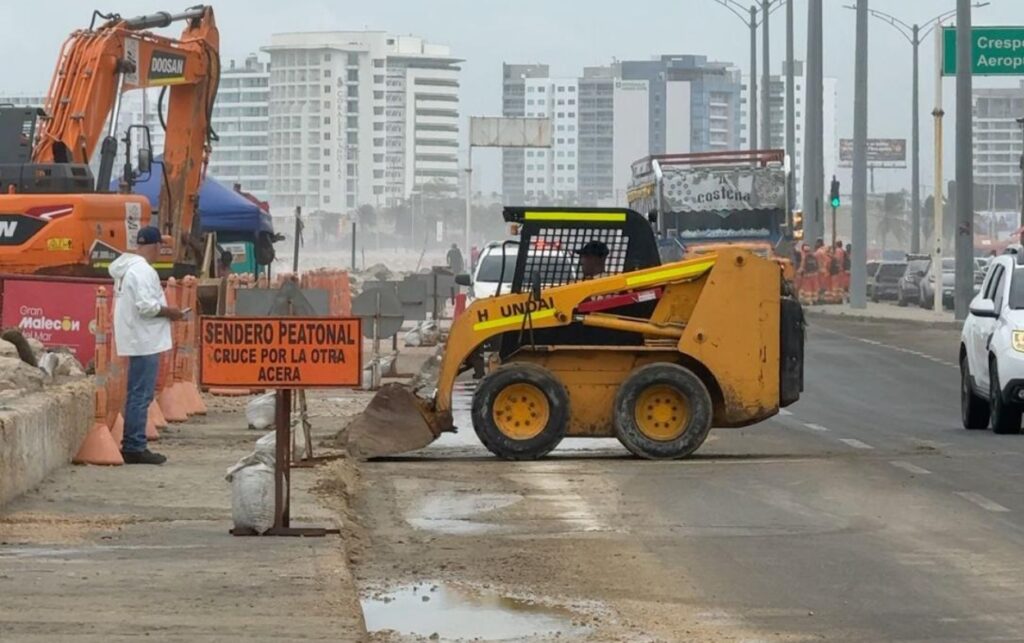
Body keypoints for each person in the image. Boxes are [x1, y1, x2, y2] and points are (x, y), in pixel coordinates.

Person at [108, 227, 184, 465]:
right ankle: (134, 445)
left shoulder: (126, 269)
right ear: (156, 245)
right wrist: (170, 312)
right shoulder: (142, 271)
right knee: (141, 394)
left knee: (136, 393)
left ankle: (133, 442)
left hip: (136, 337)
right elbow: (146, 306)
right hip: (145, 339)